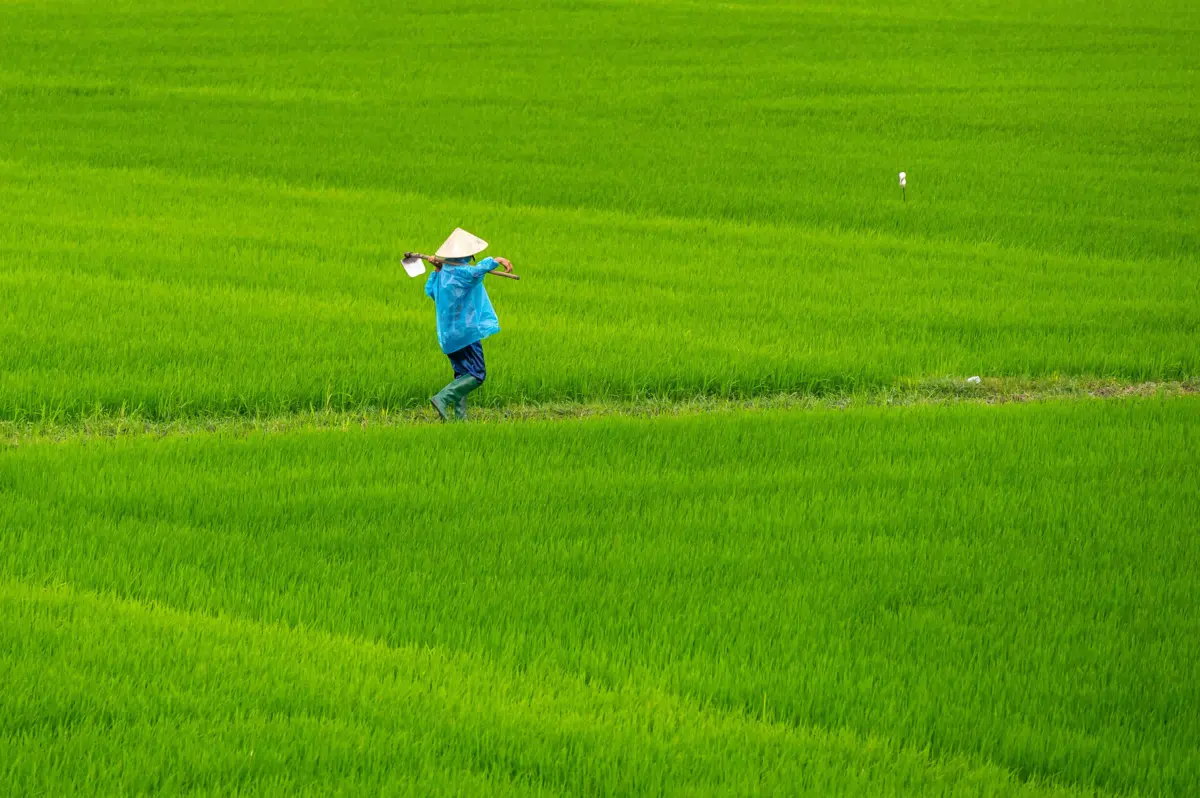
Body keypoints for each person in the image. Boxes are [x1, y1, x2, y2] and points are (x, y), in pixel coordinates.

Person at [424, 228, 514, 421]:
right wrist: (497, 259)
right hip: (465, 333)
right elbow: (476, 272)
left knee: (463, 374)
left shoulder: (441, 274)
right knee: (477, 374)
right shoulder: (461, 273)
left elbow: (430, 291)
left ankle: (461, 418)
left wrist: (437, 270)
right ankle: (442, 398)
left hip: (448, 335)